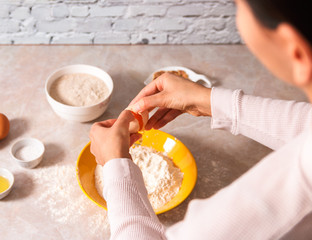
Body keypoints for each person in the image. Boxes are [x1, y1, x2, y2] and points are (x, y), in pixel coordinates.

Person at [89, 0, 312, 238]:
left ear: (295, 52)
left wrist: (116, 166)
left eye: (238, 6)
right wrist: (208, 101)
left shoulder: (290, 189)